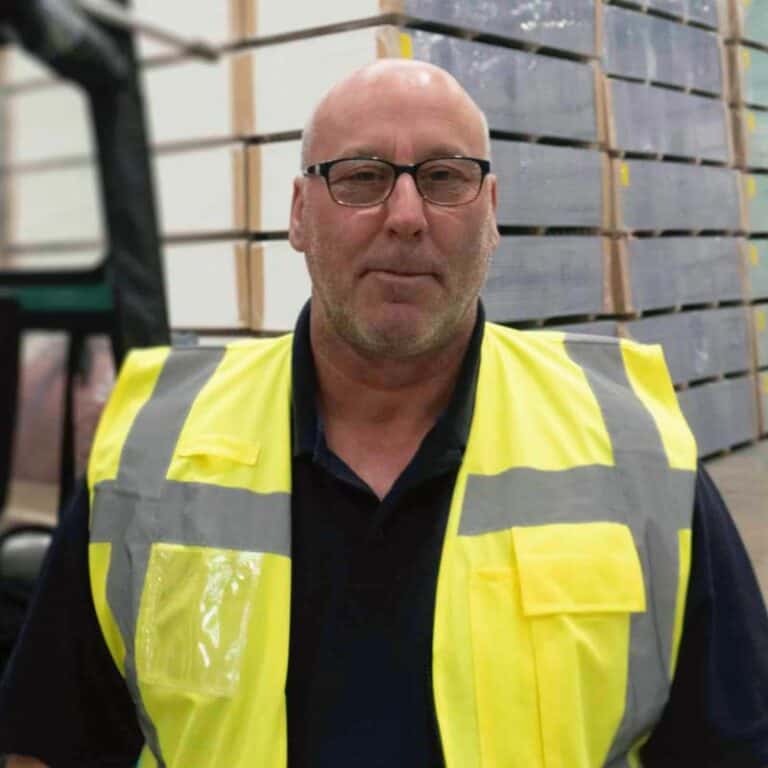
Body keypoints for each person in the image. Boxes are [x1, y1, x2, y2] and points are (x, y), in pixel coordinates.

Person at [1, 60, 768, 768]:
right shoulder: (149, 453)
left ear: (491, 213)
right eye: (363, 177)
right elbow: (48, 740)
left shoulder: (633, 451)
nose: (405, 215)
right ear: (299, 214)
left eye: (443, 177)